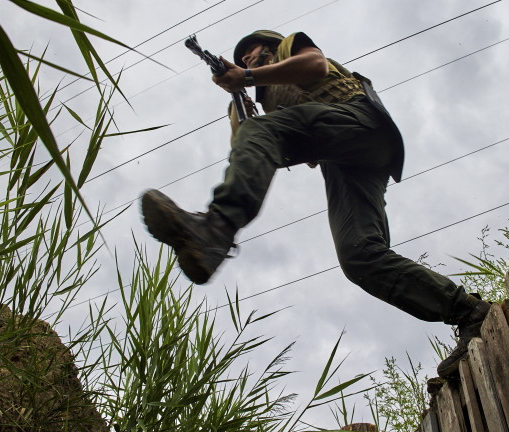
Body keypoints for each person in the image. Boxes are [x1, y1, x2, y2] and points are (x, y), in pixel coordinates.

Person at [140, 30, 490, 377]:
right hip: (346, 160)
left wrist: (246, 76)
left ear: (272, 46)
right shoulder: (265, 102)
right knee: (359, 256)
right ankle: (469, 313)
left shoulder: (291, 49)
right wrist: (241, 105)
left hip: (361, 122)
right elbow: (251, 148)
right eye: (243, 57)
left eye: (253, 51)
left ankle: (216, 229)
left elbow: (316, 66)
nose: (247, 58)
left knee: (262, 132)